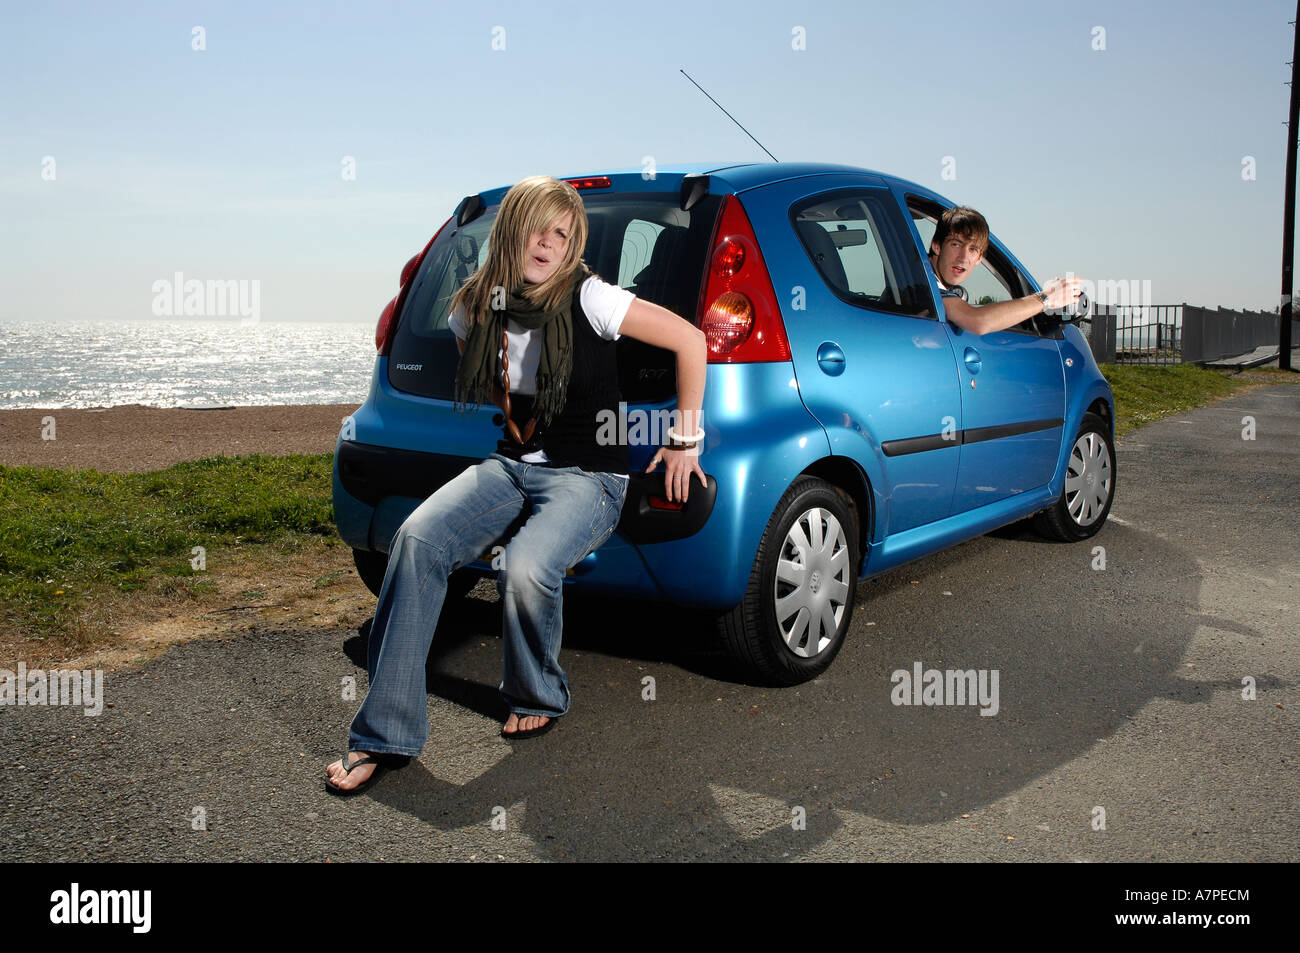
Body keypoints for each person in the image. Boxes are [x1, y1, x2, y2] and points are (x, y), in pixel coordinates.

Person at [326, 175, 707, 795]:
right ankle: (383, 734)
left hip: (590, 475)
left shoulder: (593, 300)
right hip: (511, 465)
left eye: (563, 233)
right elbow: (498, 383)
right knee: (417, 538)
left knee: (526, 566)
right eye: (539, 227)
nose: (549, 243)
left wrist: (684, 440)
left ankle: (538, 691)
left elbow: (691, 342)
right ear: (512, 229)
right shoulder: (472, 306)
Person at [927, 205, 1083, 333]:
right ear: (937, 246)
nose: (963, 257)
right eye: (956, 244)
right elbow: (977, 321)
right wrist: (1047, 297)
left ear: (979, 259)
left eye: (973, 249)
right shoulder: (924, 285)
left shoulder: (923, 280)